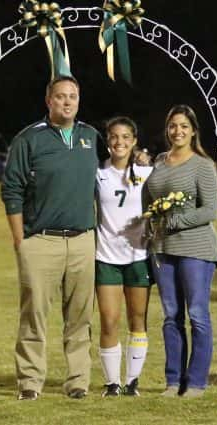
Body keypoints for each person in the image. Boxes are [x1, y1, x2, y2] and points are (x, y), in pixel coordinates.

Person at [1, 75, 100, 401]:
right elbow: (11, 190)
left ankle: (78, 382)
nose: (67, 102)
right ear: (49, 101)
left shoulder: (90, 136)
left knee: (80, 316)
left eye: (73, 96)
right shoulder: (29, 139)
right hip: (40, 241)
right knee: (34, 316)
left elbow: (114, 172)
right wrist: (20, 242)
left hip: (84, 240)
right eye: (61, 96)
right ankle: (30, 381)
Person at [143, 104, 217, 398]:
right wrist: (149, 221)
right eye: (173, 126)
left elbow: (210, 210)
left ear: (194, 131)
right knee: (171, 315)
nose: (178, 131)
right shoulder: (160, 162)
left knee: (198, 314)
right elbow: (147, 194)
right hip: (162, 248)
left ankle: (197, 381)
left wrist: (176, 220)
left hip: (196, 248)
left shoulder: (202, 165)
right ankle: (173, 380)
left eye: (184, 126)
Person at [95, 117, 153, 397]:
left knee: (137, 319)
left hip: (138, 256)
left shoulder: (147, 172)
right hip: (105, 257)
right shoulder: (98, 173)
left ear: (134, 141)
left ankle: (132, 382)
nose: (120, 142)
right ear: (108, 141)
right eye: (115, 137)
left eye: (126, 137)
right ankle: (111, 383)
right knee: (109, 320)